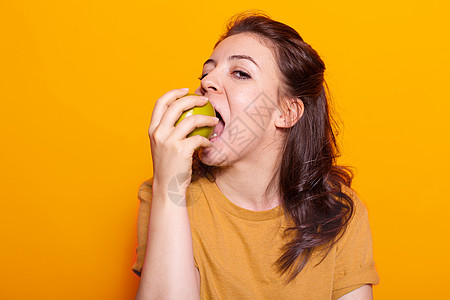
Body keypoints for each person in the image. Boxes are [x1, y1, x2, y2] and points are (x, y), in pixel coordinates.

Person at [133, 11, 380, 300]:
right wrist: (168, 186)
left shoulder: (338, 212)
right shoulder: (167, 195)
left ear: (287, 113)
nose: (207, 82)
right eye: (206, 72)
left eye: (240, 73)